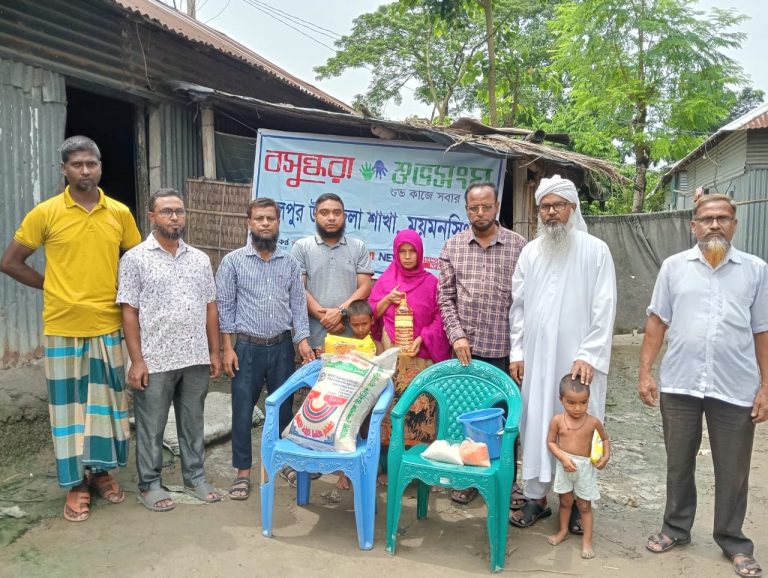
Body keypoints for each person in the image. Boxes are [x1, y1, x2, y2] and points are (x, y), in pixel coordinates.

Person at [0, 136, 141, 522]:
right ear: (64, 169)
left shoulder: (119, 213)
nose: (85, 170)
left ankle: (101, 473)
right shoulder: (45, 213)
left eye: (91, 164)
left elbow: (137, 261)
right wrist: (51, 285)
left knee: (106, 407)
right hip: (62, 326)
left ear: (99, 167)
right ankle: (75, 483)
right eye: (77, 164)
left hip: (108, 325)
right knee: (68, 410)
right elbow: (10, 261)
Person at [638, 194, 768, 578]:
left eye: (722, 218)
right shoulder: (674, 268)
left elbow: (762, 330)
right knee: (678, 462)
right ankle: (676, 528)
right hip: (681, 383)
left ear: (734, 224)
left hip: (735, 386)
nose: (714, 225)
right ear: (693, 225)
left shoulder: (756, 270)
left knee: (733, 468)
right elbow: (657, 322)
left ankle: (733, 540)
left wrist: (765, 387)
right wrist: (645, 372)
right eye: (706, 219)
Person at [508, 174, 616, 531]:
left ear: (573, 208)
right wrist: (517, 351)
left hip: (578, 362)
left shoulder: (595, 250)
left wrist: (588, 354)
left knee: (578, 430)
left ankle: (578, 503)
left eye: (558, 206)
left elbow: (605, 307)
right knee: (537, 421)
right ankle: (538, 498)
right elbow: (518, 307)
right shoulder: (529, 252)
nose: (551, 213)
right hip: (536, 360)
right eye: (545, 207)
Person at [117, 188, 222, 511]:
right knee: (152, 424)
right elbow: (129, 310)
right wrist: (137, 361)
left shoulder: (200, 259)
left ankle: (194, 477)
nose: (175, 217)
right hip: (155, 358)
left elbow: (210, 308)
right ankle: (149, 484)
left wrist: (214, 352)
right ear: (152, 217)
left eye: (179, 211)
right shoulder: (135, 258)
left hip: (194, 357)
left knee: (193, 421)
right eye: (167, 211)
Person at [216, 197, 315, 500]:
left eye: (270, 218)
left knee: (285, 408)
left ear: (278, 222)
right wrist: (227, 349)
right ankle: (243, 472)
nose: (265, 224)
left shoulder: (290, 263)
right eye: (259, 218)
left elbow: (298, 307)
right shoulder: (233, 261)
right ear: (249, 223)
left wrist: (303, 341)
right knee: (243, 409)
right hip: (246, 347)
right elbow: (224, 306)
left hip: (282, 347)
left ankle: (284, 463)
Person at [438, 181, 526, 504]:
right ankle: (470, 480)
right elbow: (445, 299)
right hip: (467, 353)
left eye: (486, 206)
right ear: (466, 210)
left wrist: (521, 351)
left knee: (505, 422)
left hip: (506, 353)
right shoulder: (453, 246)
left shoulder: (519, 246)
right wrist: (456, 335)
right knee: (469, 421)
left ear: (497, 206)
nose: (480, 212)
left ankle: (508, 482)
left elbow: (526, 301)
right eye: (473, 207)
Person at [370, 229, 451, 485]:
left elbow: (440, 317)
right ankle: (389, 468)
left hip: (420, 358)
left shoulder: (430, 283)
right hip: (392, 356)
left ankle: (419, 471)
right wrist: (387, 300)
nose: (407, 257)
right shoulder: (386, 280)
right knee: (389, 411)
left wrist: (423, 337)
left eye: (412, 251)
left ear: (420, 253)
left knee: (420, 411)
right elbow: (371, 312)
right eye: (402, 251)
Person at [291, 193, 374, 355]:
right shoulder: (301, 247)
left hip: (352, 337)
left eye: (337, 213)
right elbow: (298, 290)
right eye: (324, 213)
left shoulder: (358, 247)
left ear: (345, 216)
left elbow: (365, 287)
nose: (331, 218)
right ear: (315, 216)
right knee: (314, 380)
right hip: (314, 339)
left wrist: (341, 312)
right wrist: (328, 320)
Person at [546, 374, 610, 560]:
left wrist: (605, 456)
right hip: (565, 465)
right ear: (561, 400)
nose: (577, 408)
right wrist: (563, 458)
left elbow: (605, 439)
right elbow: (551, 442)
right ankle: (563, 531)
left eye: (583, 403)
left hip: (585, 468)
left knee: (584, 505)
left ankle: (587, 541)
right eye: (571, 402)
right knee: (565, 501)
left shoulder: (593, 422)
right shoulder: (557, 420)